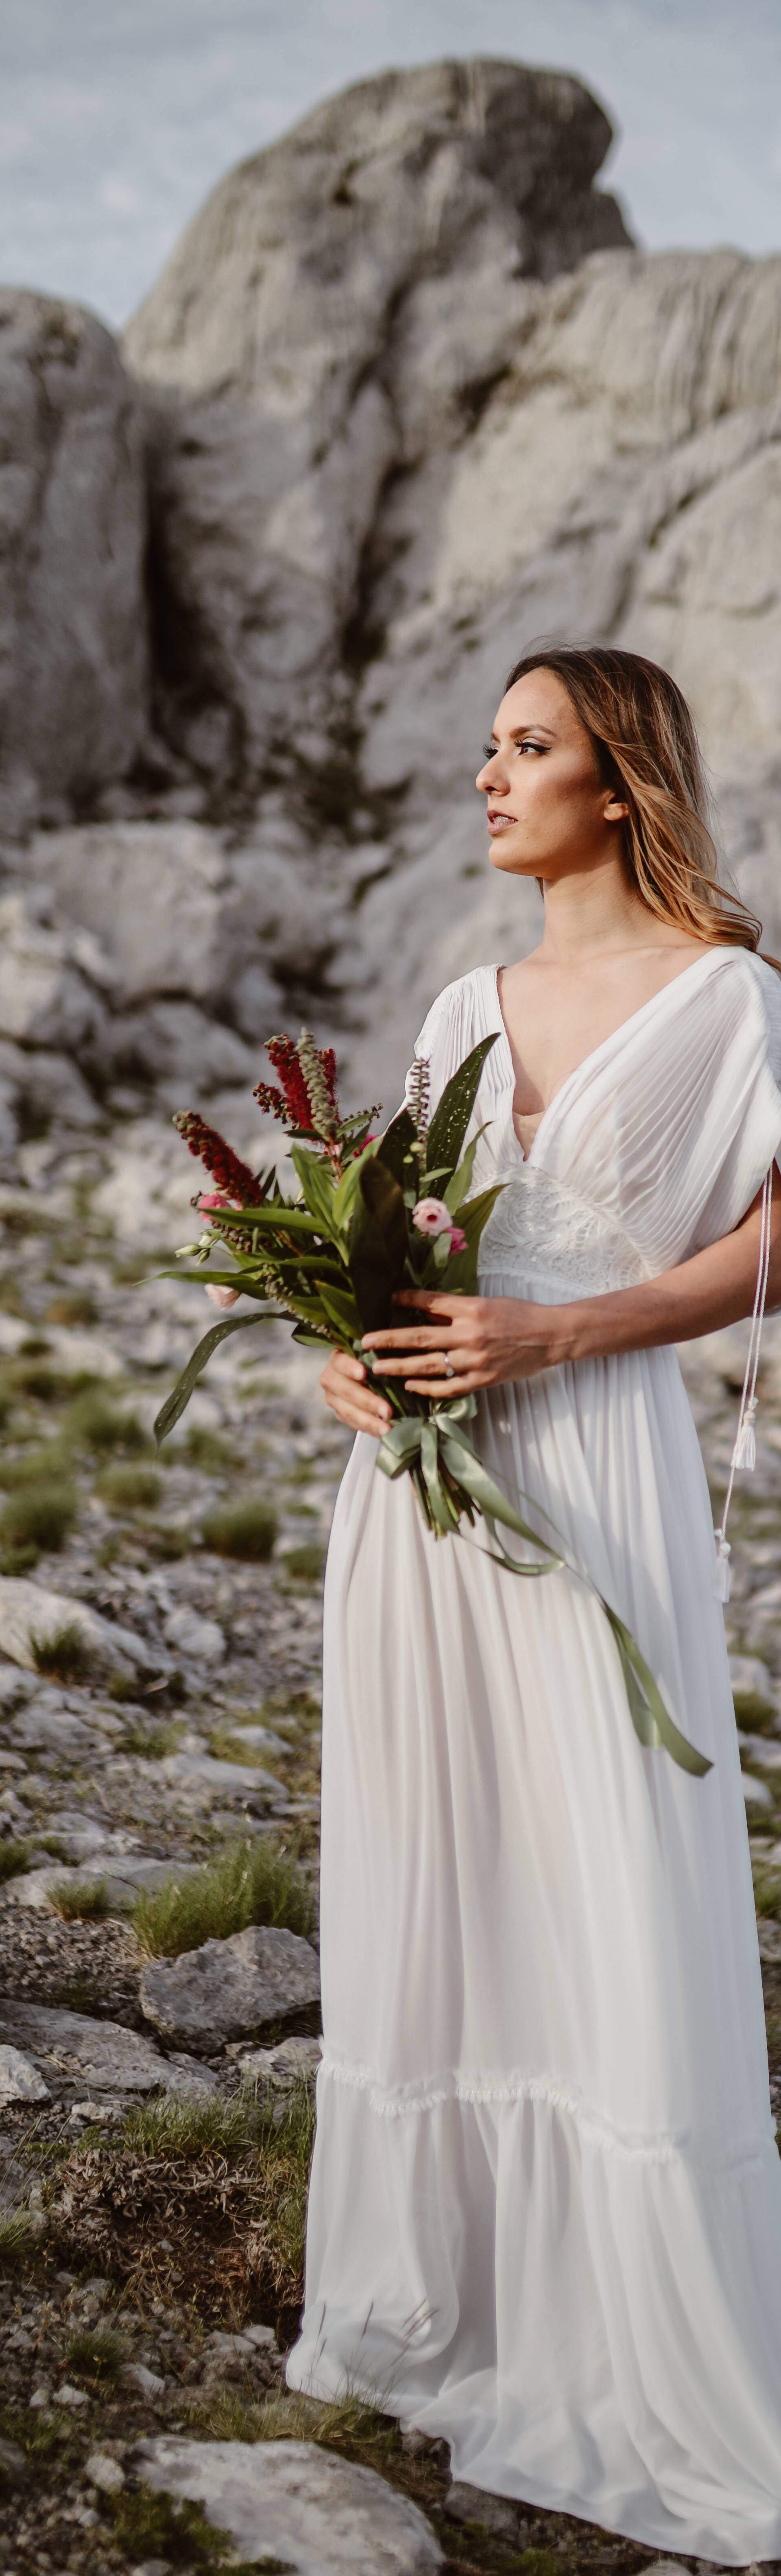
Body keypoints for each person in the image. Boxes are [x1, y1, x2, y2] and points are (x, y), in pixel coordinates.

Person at [285, 646, 781, 2566]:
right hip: (417, 1498)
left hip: (596, 1471)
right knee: (446, 1865)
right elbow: (401, 1251)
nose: (488, 773)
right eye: (487, 744)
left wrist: (582, 1324)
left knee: (603, 1858)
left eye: (530, 746)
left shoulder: (733, 999)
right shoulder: (457, 1002)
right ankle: (449, 2289)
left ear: (623, 782)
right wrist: (349, 1359)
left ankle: (626, 2326)